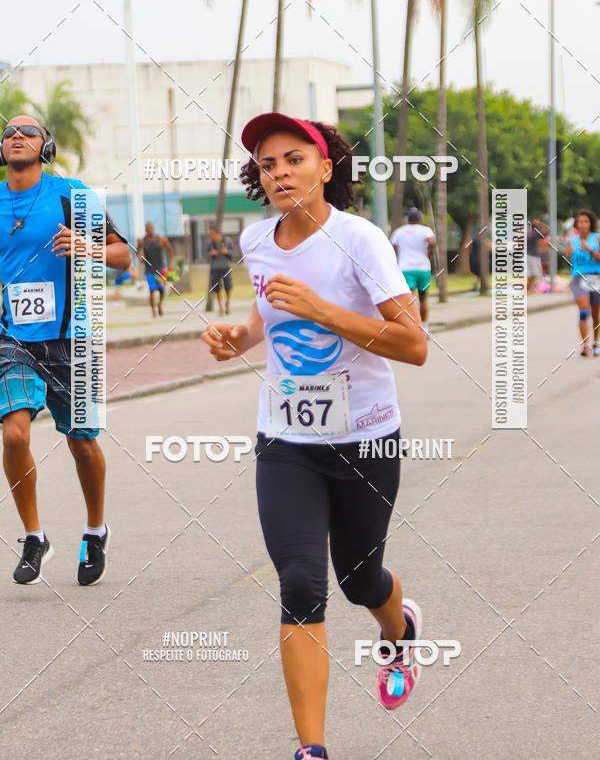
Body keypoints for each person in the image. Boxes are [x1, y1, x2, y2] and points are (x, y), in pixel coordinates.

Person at [202, 113, 427, 760]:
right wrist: (239, 337)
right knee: (301, 582)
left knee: (362, 583)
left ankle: (400, 630)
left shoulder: (362, 241)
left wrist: (324, 310)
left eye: (294, 159)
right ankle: (312, 750)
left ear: (326, 167)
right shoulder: (256, 241)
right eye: (268, 164)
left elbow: (414, 345)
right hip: (286, 440)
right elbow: (268, 309)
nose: (280, 173)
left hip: (366, 441)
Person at [0, 116, 130, 584]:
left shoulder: (72, 195)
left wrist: (85, 246)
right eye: (8, 132)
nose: (16, 135)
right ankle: (35, 537)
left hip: (75, 337)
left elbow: (123, 257)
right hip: (13, 339)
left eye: (27, 131)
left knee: (81, 442)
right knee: (13, 434)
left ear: (45, 145)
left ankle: (95, 530)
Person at [390, 208, 435, 335]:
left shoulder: (399, 232)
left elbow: (392, 248)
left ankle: (411, 328)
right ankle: (425, 328)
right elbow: (432, 241)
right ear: (420, 219)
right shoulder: (425, 230)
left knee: (408, 300)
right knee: (424, 298)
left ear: (408, 219)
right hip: (423, 268)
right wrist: (429, 253)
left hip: (405, 269)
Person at [564, 209, 600, 356]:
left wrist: (590, 250)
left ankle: (596, 342)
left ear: (591, 223)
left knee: (596, 315)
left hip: (596, 278)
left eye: (586, 221)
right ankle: (586, 345)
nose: (583, 224)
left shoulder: (597, 238)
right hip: (579, 278)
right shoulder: (572, 240)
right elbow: (568, 257)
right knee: (584, 310)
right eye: (580, 222)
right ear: (576, 225)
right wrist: (568, 252)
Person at [136, 221, 173, 318]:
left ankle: (160, 304)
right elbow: (137, 252)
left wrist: (170, 264)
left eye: (150, 228)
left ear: (153, 228)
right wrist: (140, 258)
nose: (149, 230)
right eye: (147, 229)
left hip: (160, 269)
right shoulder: (142, 241)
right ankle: (153, 311)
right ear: (145, 230)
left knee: (161, 290)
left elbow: (170, 250)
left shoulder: (161, 239)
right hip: (149, 270)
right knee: (152, 290)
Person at [206, 223, 234, 315]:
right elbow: (206, 254)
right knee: (217, 288)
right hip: (215, 267)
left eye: (213, 234)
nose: (212, 236)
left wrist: (227, 252)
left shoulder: (226, 241)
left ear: (218, 233)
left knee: (228, 286)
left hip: (225, 266)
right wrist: (211, 254)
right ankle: (221, 307)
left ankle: (228, 303)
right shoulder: (211, 243)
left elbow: (234, 251)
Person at [527, 219, 549, 293]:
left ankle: (530, 288)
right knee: (532, 273)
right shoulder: (535, 233)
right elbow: (547, 229)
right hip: (533, 256)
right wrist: (541, 223)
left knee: (532, 273)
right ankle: (530, 288)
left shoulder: (530, 233)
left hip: (531, 256)